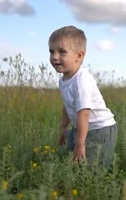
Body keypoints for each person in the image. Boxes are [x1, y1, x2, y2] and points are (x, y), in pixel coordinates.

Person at [48, 25, 117, 169]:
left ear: (79, 56)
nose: (55, 57)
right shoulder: (63, 80)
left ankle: (90, 189)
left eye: (62, 52)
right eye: (51, 51)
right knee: (72, 162)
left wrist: (80, 145)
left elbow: (84, 113)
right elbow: (67, 105)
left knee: (91, 168)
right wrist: (63, 128)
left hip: (99, 130)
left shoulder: (81, 80)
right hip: (81, 128)